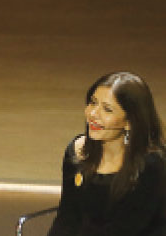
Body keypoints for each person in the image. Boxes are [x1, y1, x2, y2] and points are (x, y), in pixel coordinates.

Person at [48, 72, 166, 236]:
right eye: (93, 103)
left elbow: (128, 228)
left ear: (129, 122)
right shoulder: (76, 151)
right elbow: (67, 218)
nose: (93, 114)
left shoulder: (152, 164)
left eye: (107, 109)